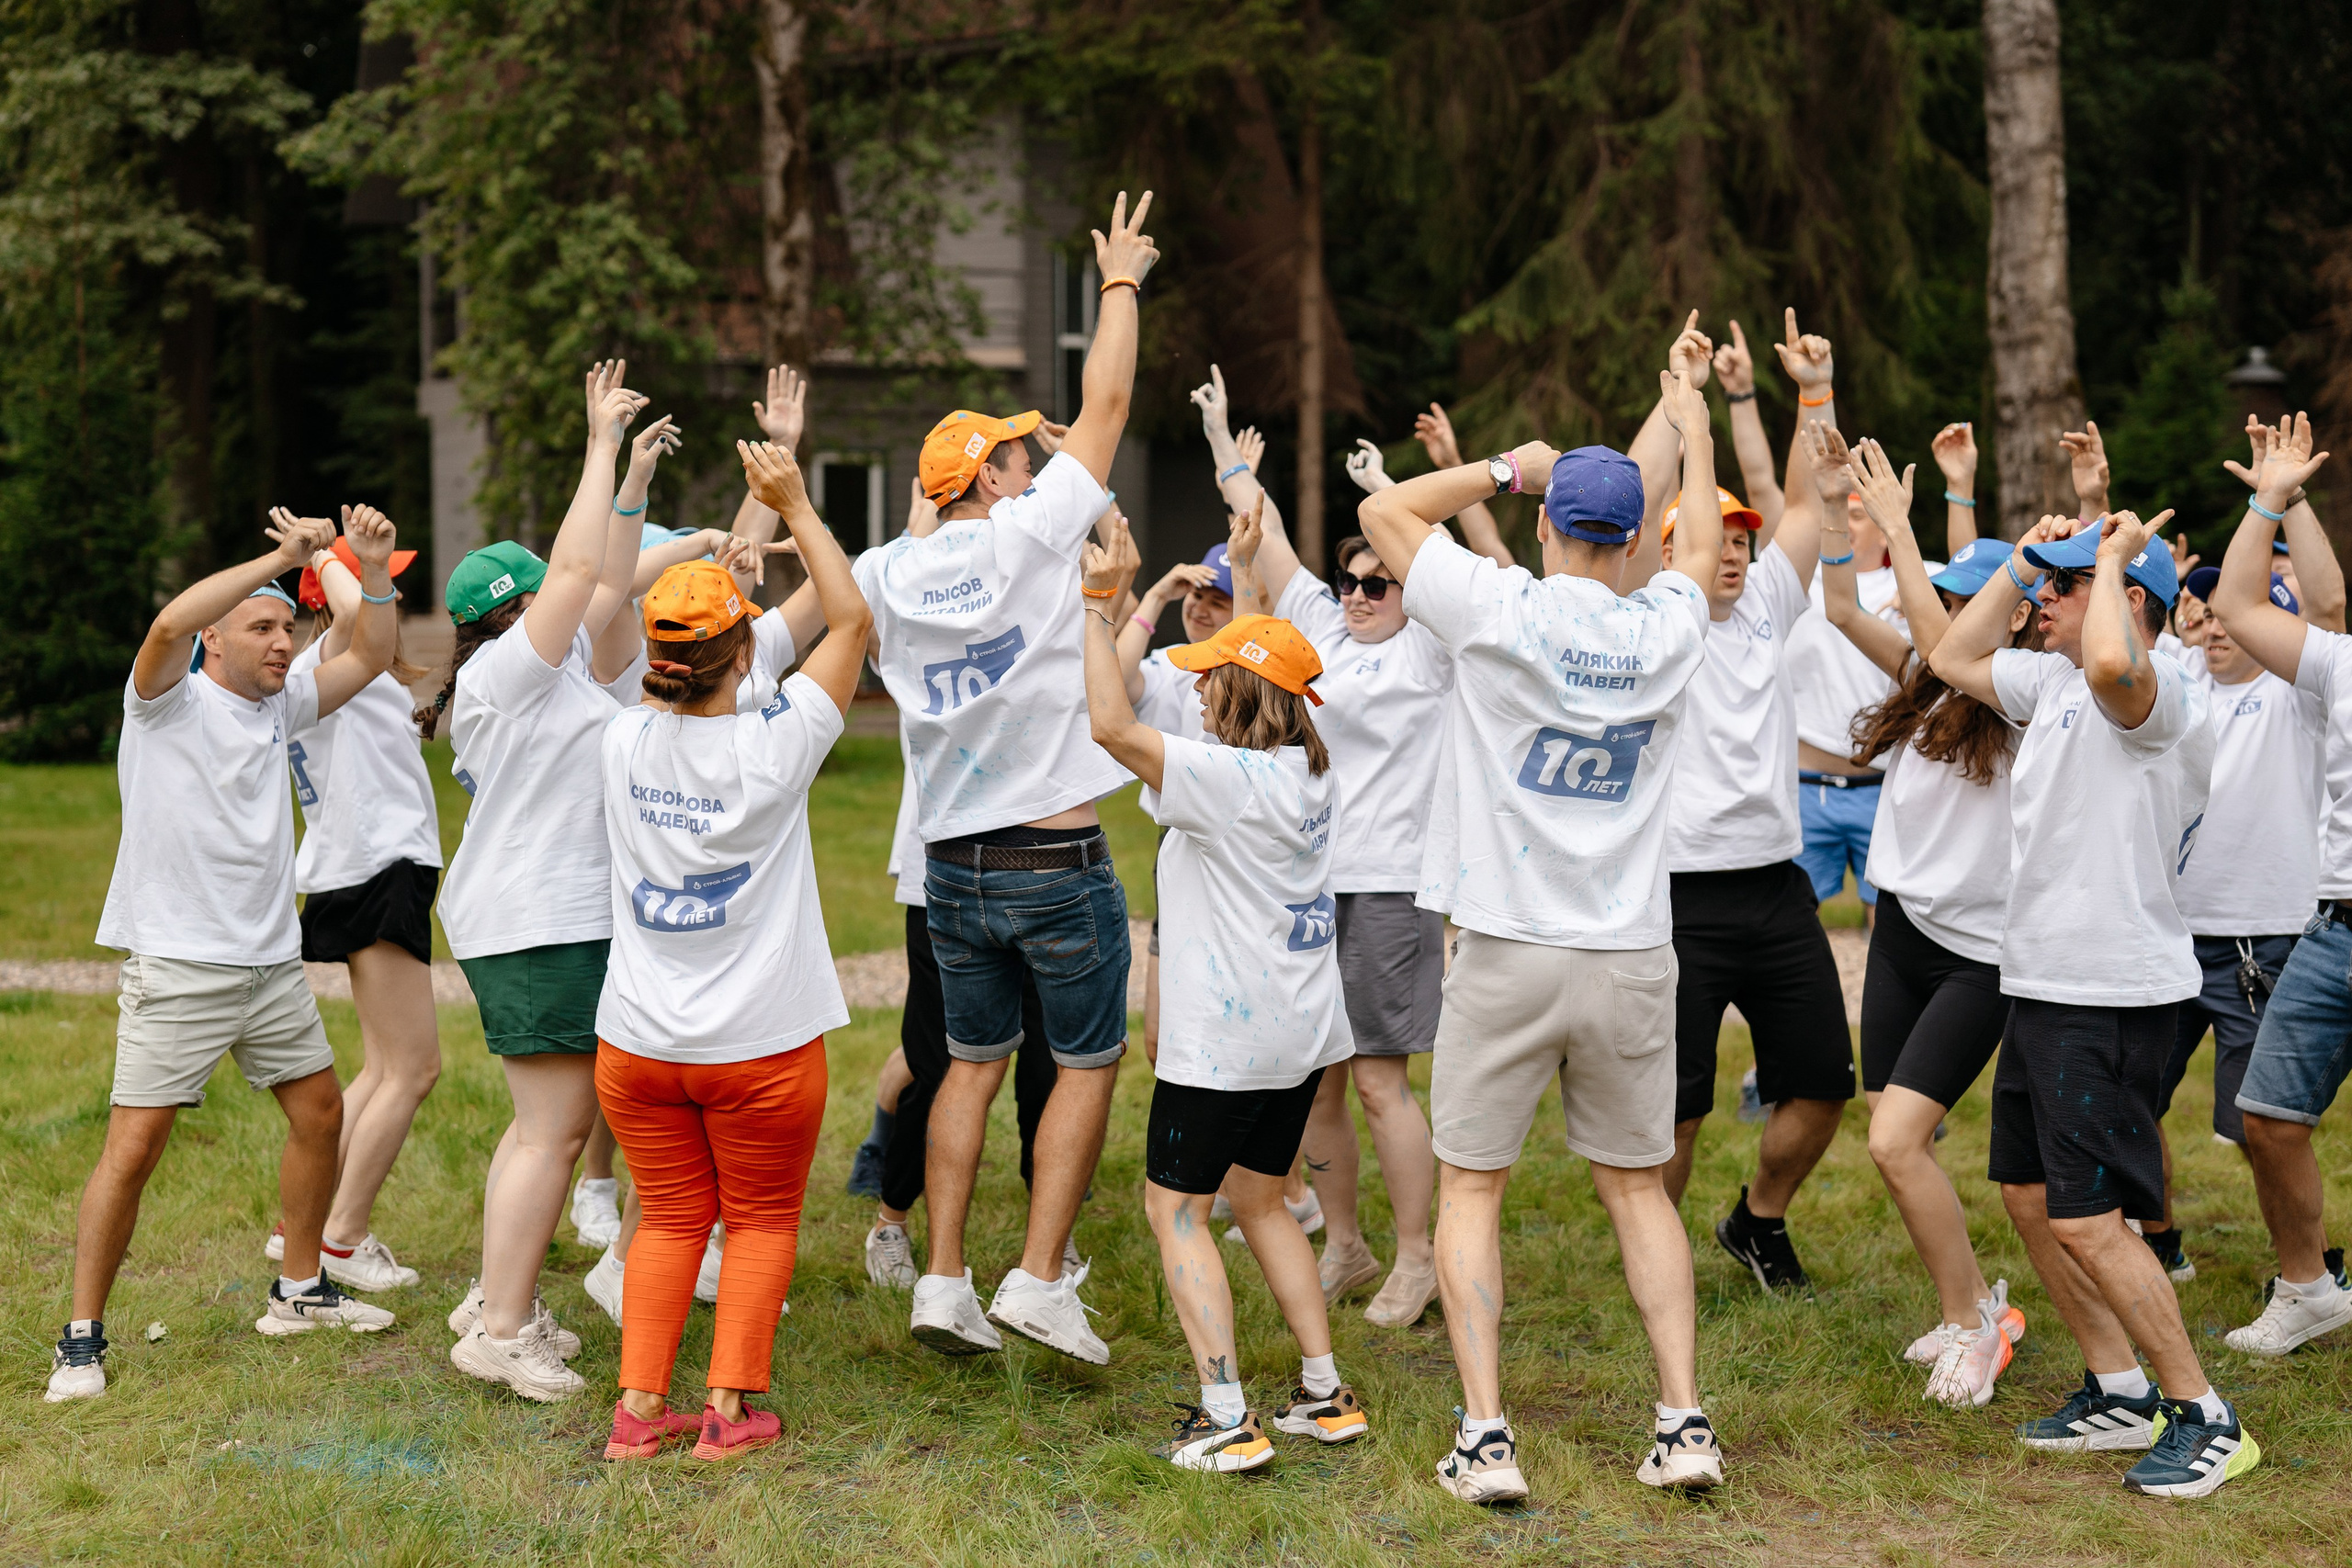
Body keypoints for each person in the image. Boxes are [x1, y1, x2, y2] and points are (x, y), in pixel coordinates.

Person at [1355, 353, 1727, 1505]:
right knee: (1635, 1191)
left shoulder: (1498, 603)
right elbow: (1705, 545)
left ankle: (1485, 1438)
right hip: (1626, 952)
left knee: (1471, 1190)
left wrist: (1502, 469)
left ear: (1558, 527)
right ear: (1633, 542)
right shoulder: (1669, 621)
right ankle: (1683, 1422)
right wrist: (1694, 425)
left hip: (1507, 945)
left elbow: (1381, 511)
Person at [851, 192, 1157, 1363]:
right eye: (1018, 455)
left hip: (953, 867)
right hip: (1054, 855)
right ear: (984, 479)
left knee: (965, 1067)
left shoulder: (886, 570)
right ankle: (1035, 1279)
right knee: (1086, 1060)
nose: (1036, 462)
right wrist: (1118, 282)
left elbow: (830, 607)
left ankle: (941, 1280)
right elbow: (1112, 403)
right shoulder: (1028, 534)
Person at [1930, 502, 2257, 1498]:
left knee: (2087, 1217)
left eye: (2064, 588)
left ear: (2126, 603)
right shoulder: (2057, 684)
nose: (2042, 601)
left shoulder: (2154, 696)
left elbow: (2119, 669)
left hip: (2105, 993)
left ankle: (2204, 1414)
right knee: (2031, 1196)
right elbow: (1951, 655)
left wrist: (2111, 564)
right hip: (2041, 980)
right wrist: (2025, 560)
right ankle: (2118, 1390)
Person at [50, 504, 405, 1403]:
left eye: (288, 625)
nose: (284, 641)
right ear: (216, 641)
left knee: (320, 1113)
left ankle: (298, 1290)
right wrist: (276, 559)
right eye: (262, 626)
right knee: (134, 1149)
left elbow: (366, 657)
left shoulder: (278, 705)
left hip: (268, 964)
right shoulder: (164, 702)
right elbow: (167, 623)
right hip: (179, 964)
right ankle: (81, 1339)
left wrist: (369, 571)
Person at [594, 439, 868, 1463]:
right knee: (755, 1223)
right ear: (745, 653)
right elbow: (850, 621)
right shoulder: (777, 742)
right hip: (759, 1045)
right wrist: (794, 502)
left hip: (636, 1044)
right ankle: (729, 1410)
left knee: (666, 1219)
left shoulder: (620, 740)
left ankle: (635, 1414)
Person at [1078, 506, 1367, 1472]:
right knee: (1262, 1202)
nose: (1195, 699)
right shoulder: (1307, 769)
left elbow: (1110, 723)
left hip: (1226, 1046)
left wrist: (1096, 605)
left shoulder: (1223, 779)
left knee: (1175, 1210)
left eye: (1209, 685)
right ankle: (1325, 1395)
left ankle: (1224, 1414)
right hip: (1297, 1036)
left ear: (1241, 696)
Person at [435, 365, 689, 1402]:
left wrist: (631, 482)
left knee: (545, 1124)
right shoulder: (509, 674)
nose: (570, 593)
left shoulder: (550, 669)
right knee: (555, 1128)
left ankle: (499, 1297)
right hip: (538, 922)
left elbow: (605, 574)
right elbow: (587, 574)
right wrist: (593, 447)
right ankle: (499, 1329)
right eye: (546, 588)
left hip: (542, 918)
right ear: (516, 611)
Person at [1810, 433, 2030, 1407]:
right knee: (1895, 1134)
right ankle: (1959, 1306)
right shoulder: (1921, 676)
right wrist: (1832, 512)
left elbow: (1945, 635)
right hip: (1901, 927)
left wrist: (1911, 521)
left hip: (1979, 957)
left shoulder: (2027, 700)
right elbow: (1839, 603)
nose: (1926, 609)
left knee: (1895, 1142)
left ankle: (1982, 1319)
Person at [1657, 308, 1854, 1290]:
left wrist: (1810, 391)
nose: (1732, 551)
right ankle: (1657, 1258)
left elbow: (1809, 509)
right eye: (1714, 537)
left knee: (1822, 1085)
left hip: (1775, 890)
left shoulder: (1770, 607)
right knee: (1679, 1109)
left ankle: (1757, 1220)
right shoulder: (1652, 623)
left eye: (1741, 537)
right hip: (1678, 900)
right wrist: (1681, 399)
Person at [2204, 412, 2352, 1359]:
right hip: (2334, 930)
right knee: (2266, 1116)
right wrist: (2270, 502)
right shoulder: (2340, 667)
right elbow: (2239, 600)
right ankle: (2309, 1289)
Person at [258, 536, 442, 1294]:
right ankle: (341, 1237)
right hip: (377, 867)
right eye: (379, 586)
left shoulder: (329, 672)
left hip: (354, 868)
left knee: (384, 1065)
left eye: (390, 583)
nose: (386, 596)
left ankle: (301, 1224)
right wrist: (342, 560)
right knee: (415, 1067)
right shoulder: (334, 651)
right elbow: (352, 611)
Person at [2149, 547, 2327, 1286]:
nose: (2216, 627)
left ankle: (2314, 1269)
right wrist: (2094, 499)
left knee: (2263, 1125)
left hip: (2264, 941)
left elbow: (2326, 606)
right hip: (2171, 937)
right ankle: (2158, 1241)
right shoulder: (2183, 681)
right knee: (2132, 1095)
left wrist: (2284, 503)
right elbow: (2123, 623)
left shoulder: (2299, 693)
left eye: (2233, 614)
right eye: (2207, 613)